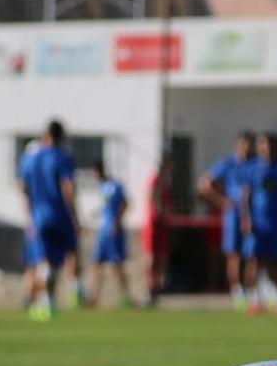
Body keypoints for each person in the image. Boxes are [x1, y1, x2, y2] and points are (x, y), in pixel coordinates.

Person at [18, 119, 81, 322]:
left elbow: (22, 188)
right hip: (59, 215)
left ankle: (39, 301)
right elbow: (67, 187)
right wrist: (75, 217)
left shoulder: (29, 158)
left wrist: (28, 217)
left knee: (42, 261)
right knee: (60, 259)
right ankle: (51, 300)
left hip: (38, 217)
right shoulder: (62, 158)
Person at [241, 134, 277, 317]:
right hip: (258, 223)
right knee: (254, 261)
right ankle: (254, 300)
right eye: (262, 145)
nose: (266, 148)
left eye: (269, 144)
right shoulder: (252, 168)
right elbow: (246, 196)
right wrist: (246, 218)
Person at [198, 131, 256, 312]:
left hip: (254, 215)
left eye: (249, 144)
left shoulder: (256, 165)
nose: (246, 148)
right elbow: (204, 183)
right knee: (234, 254)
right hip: (234, 215)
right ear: (237, 145)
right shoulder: (228, 164)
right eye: (243, 144)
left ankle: (252, 292)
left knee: (253, 255)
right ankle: (237, 294)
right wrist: (222, 201)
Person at [87, 159, 133, 307]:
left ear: (100, 170)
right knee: (96, 263)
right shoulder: (102, 187)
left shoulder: (115, 186)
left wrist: (116, 223)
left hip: (114, 231)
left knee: (117, 265)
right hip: (103, 231)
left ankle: (126, 297)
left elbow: (125, 203)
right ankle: (94, 297)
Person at [143, 155, 173, 307]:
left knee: (162, 256)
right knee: (151, 257)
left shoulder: (167, 183)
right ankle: (149, 289)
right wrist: (160, 210)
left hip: (162, 225)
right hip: (153, 224)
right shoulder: (156, 180)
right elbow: (153, 198)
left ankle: (158, 287)